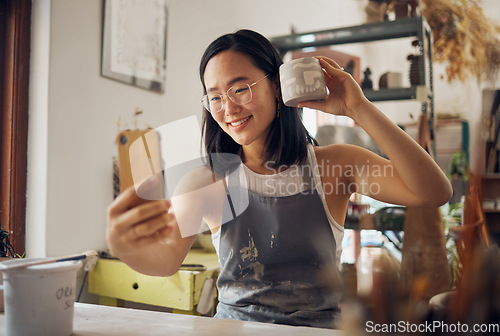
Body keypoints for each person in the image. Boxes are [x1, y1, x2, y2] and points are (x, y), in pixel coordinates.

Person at [106, 29, 452, 329]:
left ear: (276, 85)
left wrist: (357, 108)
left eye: (239, 89)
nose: (228, 108)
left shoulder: (336, 166)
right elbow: (166, 261)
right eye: (215, 97)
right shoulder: (207, 182)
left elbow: (435, 191)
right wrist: (123, 244)